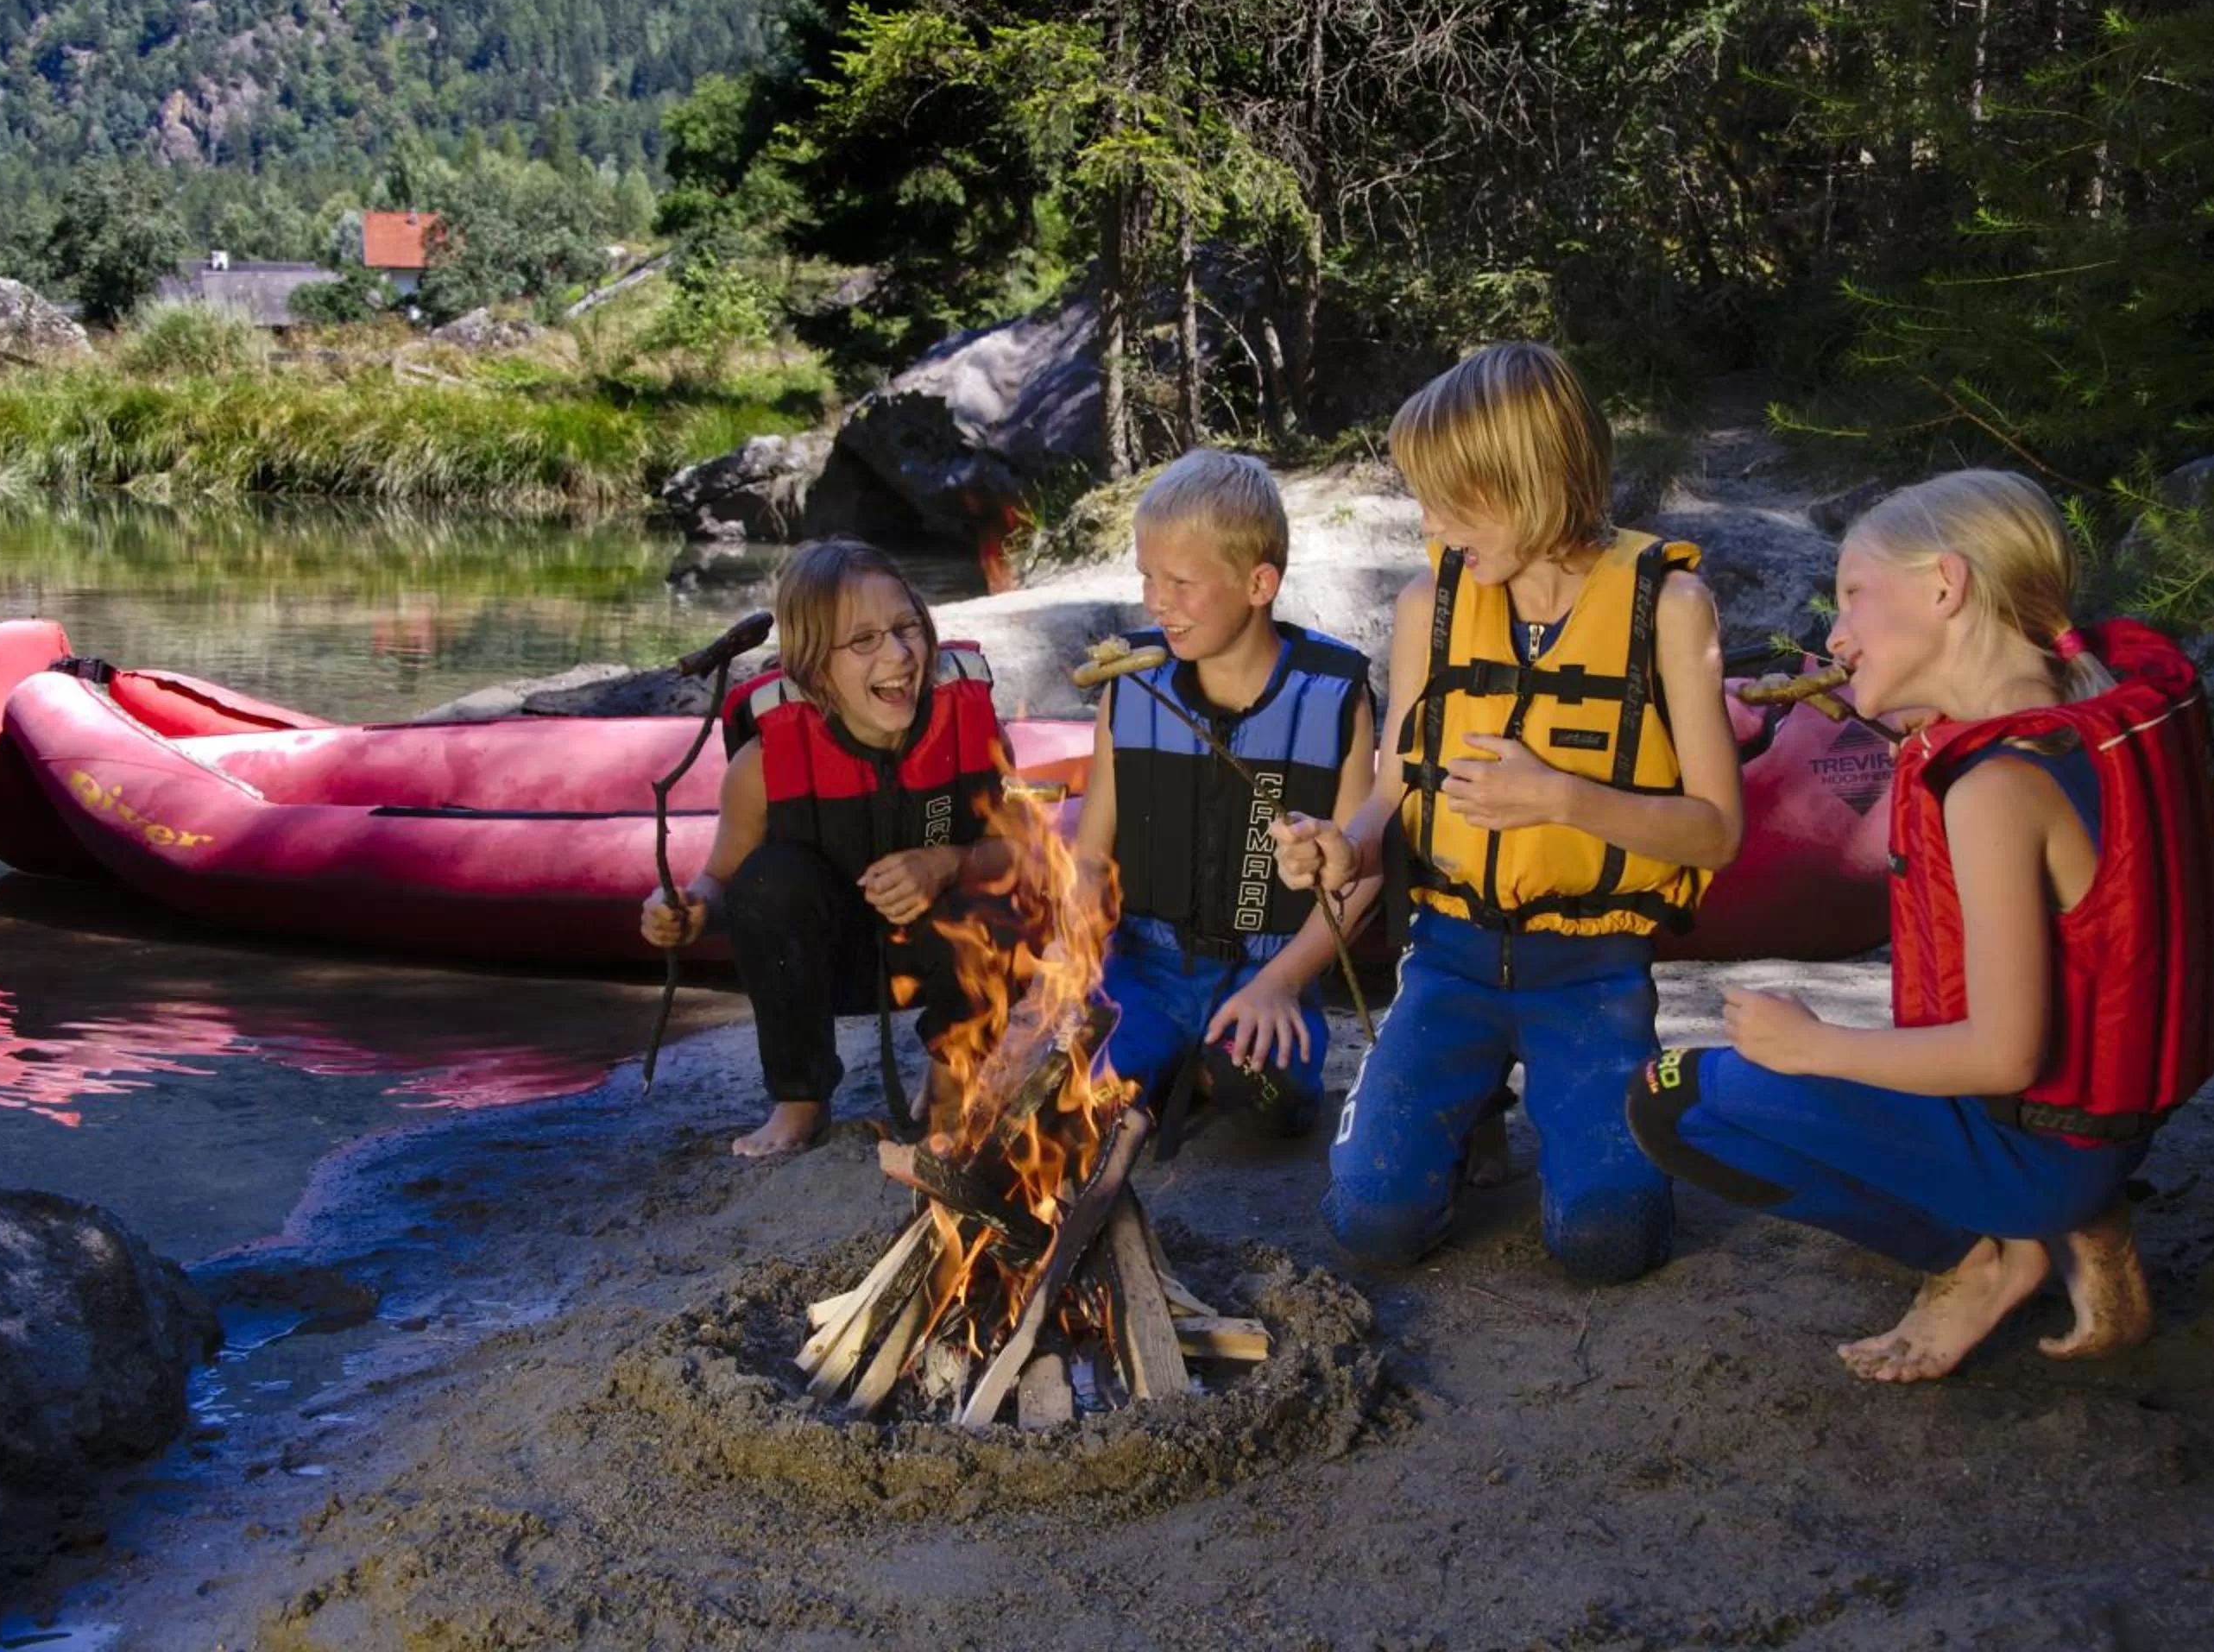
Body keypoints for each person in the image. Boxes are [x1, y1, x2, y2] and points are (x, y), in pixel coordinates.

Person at [1624, 470, 2214, 1380]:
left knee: (1669, 1100)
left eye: (1854, 596)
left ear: (1946, 586)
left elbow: (2002, 1056)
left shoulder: (1995, 790)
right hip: (2105, 1119)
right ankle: (2077, 1221)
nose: (1835, 631)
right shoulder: (2077, 717)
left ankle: (1980, 1256)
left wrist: (1811, 1044)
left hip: (2030, 1142)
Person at [1272, 343, 1744, 1282]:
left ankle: (1564, 1118)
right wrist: (1343, 849)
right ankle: (1471, 1109)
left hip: (1594, 968)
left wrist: (1563, 797)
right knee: (1369, 1223)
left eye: (1452, 502)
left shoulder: (1673, 608)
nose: (1431, 527)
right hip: (1450, 954)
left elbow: (1718, 831)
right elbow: (1395, 790)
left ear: (1532, 482)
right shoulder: (1425, 607)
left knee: (1610, 1242)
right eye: (1422, 499)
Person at [640, 539, 1015, 1157]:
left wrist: (948, 862)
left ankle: (952, 1081)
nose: (898, 655)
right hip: (827, 964)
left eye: (906, 628)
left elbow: (1022, 856)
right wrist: (690, 910)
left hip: (936, 953)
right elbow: (722, 880)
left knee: (999, 905)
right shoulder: (762, 766)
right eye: (863, 641)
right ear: (814, 668)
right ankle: (800, 1100)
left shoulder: (975, 728)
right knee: (768, 877)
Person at [1071, 449, 1378, 1145]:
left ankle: (1209, 1067)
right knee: (1086, 1096)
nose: (1156, 603)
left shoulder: (1334, 695)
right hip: (1143, 963)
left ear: (1258, 582)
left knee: (1265, 1095)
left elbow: (1359, 876)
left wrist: (1281, 980)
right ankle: (1167, 1057)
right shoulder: (1131, 684)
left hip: (1267, 963)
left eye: (1181, 582)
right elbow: (1091, 854)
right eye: (1148, 578)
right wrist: (1073, 956)